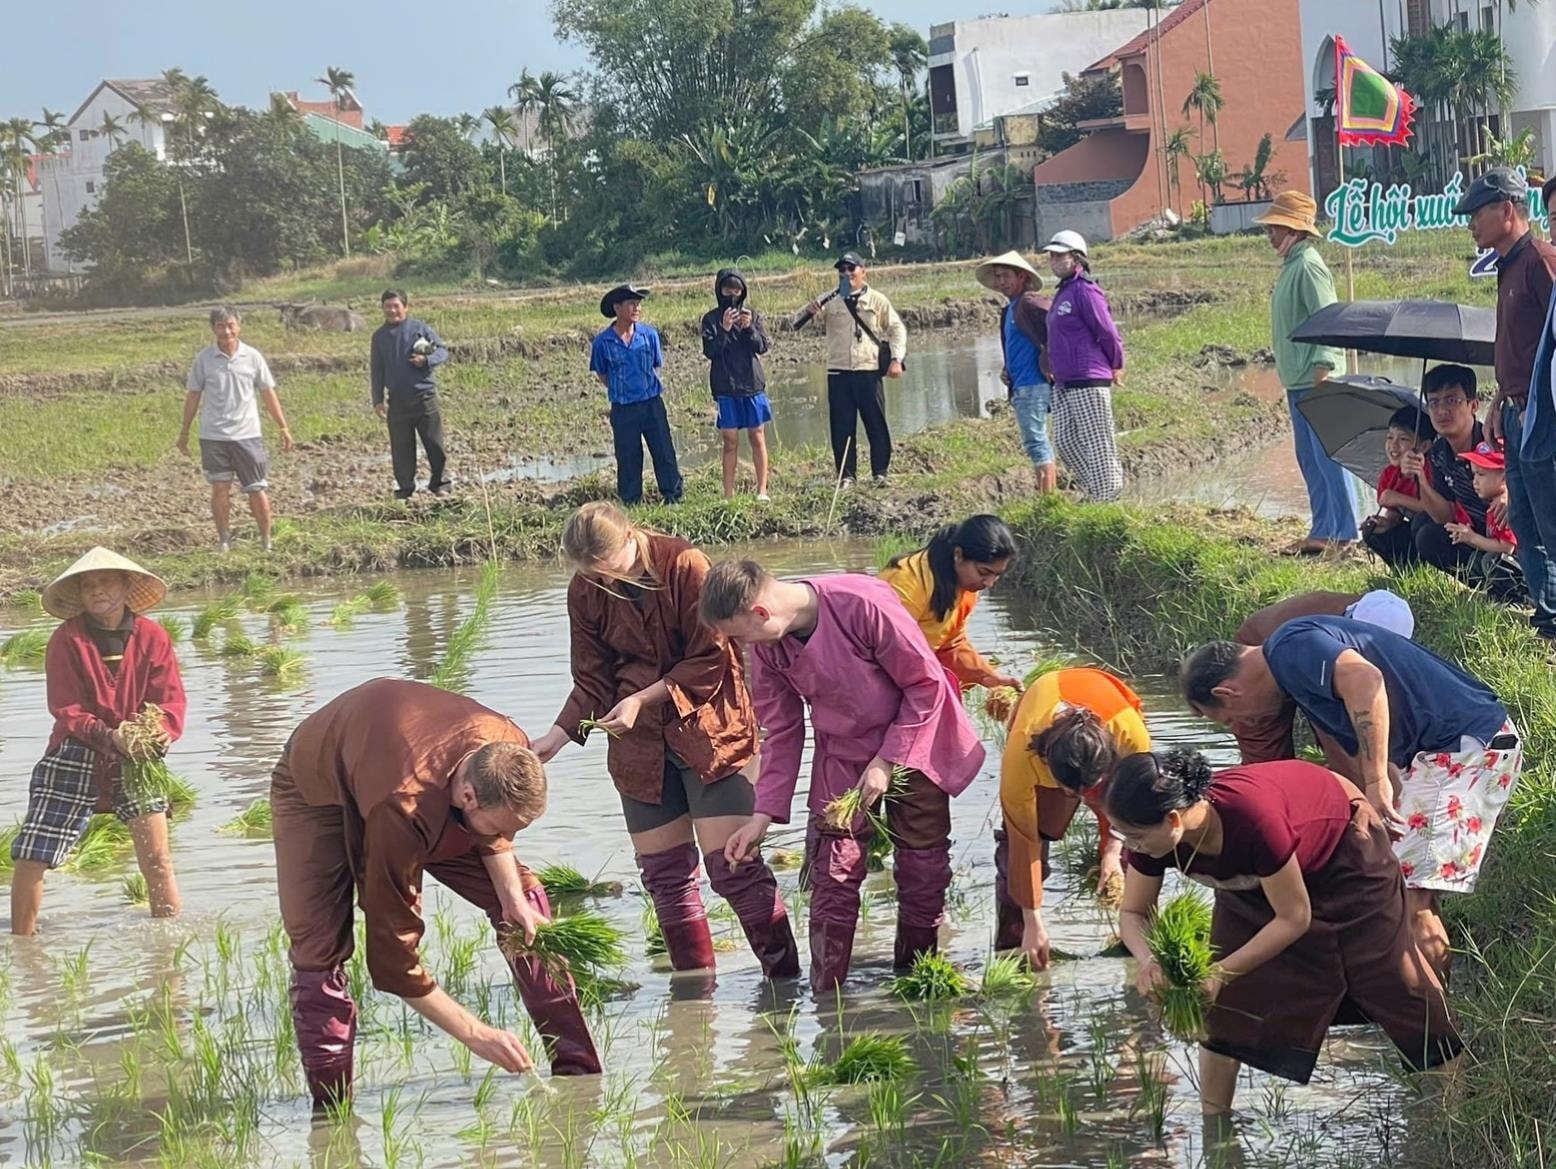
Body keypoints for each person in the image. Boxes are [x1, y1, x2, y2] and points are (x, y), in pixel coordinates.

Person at [272, 678, 600, 1108]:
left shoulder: (508, 746)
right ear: (468, 796)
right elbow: (393, 960)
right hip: (317, 791)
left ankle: (579, 1077)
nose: (507, 838)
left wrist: (512, 898)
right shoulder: (402, 809)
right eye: (502, 827)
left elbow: (494, 836)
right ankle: (333, 1119)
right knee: (319, 953)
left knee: (524, 902)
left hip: (405, 774)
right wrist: (475, 1034)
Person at [1108, 748, 1462, 1115]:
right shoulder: (1154, 840)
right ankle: (1215, 1127)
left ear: (1173, 820)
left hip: (1343, 851)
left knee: (1392, 979)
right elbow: (1134, 912)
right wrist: (1149, 960)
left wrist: (1220, 973)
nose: (1130, 847)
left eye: (1133, 837)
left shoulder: (1252, 820)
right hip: (1254, 880)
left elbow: (1294, 918)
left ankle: (1458, 1107)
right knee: (1225, 1006)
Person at [528, 503, 799, 980]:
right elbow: (591, 677)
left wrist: (642, 699)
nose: (605, 583)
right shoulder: (586, 587)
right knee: (666, 878)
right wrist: (559, 734)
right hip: (639, 747)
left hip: (711, 732)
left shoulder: (684, 565)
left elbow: (711, 659)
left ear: (630, 539)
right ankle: (695, 1000)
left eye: (610, 571)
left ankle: (785, 983)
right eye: (593, 576)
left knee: (732, 867)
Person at [1180, 615, 1524, 976]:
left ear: (1226, 693)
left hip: (1464, 748)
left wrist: (1376, 780)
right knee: (1390, 884)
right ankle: (1418, 1002)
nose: (1242, 726)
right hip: (1437, 756)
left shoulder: (1289, 647)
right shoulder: (1293, 675)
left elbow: (1366, 679)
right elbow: (1373, 738)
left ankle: (1433, 1019)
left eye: (1228, 720)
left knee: (1409, 897)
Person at [701, 559, 985, 990]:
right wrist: (761, 817)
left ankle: (916, 975)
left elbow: (924, 685)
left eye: (739, 635)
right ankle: (826, 994)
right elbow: (782, 729)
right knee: (833, 871)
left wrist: (887, 762)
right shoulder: (768, 646)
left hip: (915, 737)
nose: (740, 646)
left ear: (761, 612)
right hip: (844, 749)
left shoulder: (862, 604)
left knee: (921, 866)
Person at [10, 548, 185, 936]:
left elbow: (169, 699)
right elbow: (66, 708)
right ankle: (22, 945)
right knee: (35, 852)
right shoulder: (67, 639)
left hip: (139, 756)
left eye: (105, 581)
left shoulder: (154, 637)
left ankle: (167, 950)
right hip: (76, 748)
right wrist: (110, 736)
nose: (97, 591)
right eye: (89, 585)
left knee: (157, 858)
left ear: (125, 586)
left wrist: (160, 732)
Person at [879, 515, 1023, 948]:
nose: (989, 584)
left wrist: (990, 677)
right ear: (958, 555)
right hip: (884, 702)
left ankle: (921, 916)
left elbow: (952, 645)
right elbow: (883, 652)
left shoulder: (963, 589)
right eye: (984, 573)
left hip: (921, 703)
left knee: (920, 818)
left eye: (997, 576)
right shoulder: (905, 583)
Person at [1000, 667, 1150, 968]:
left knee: (1138, 833)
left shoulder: (1130, 736)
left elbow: (1136, 800)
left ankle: (1134, 936)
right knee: (1023, 843)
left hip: (1108, 720)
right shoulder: (1023, 754)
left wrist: (1112, 849)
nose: (1080, 798)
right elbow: (1023, 838)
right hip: (1043, 711)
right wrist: (1033, 919)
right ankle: (1016, 943)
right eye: (1072, 791)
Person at [1462, 168, 1556, 640]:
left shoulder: (1541, 261)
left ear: (1506, 210)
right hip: (1516, 410)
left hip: (1544, 414)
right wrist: (1499, 398)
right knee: (1523, 517)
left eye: (1477, 213)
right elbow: (1520, 349)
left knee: (1549, 517)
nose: (1471, 224)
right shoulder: (1507, 266)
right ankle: (1544, 617)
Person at [1253, 191, 1356, 556]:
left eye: (1275, 229)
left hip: (1316, 378)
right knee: (1308, 457)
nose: (1270, 236)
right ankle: (1322, 528)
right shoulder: (1292, 266)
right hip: (1297, 380)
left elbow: (1327, 320)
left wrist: (1324, 368)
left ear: (1294, 230)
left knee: (1328, 457)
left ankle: (1344, 534)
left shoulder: (1309, 266)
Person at [179, 305, 293, 553]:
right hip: (213, 435)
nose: (226, 331)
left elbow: (267, 393)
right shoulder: (204, 359)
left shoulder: (252, 357)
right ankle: (224, 540)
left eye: (231, 325)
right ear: (213, 329)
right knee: (220, 488)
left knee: (256, 488)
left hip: (247, 435)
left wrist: (283, 427)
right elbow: (193, 396)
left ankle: (266, 541)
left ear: (238, 327)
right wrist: (184, 432)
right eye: (221, 326)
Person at [797, 252, 907, 487]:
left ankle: (880, 473)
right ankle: (847, 476)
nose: (847, 274)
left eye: (851, 269)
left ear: (863, 271)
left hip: (868, 369)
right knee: (842, 427)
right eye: (842, 270)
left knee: (876, 423)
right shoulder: (829, 299)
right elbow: (799, 323)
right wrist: (810, 311)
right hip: (839, 372)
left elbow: (897, 329)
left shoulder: (877, 300)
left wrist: (896, 359)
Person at [1041, 231, 1125, 502]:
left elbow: (1107, 332)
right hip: (1064, 381)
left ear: (1076, 258)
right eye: (1051, 255)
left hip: (1089, 378)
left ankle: (1108, 497)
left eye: (1059, 255)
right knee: (1065, 442)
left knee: (1098, 443)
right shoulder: (1063, 293)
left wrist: (1116, 364)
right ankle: (1100, 491)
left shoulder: (1085, 290)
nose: (1053, 260)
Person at [1399, 365, 1495, 581]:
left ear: (1473, 405)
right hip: (1474, 531)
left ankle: (1510, 586)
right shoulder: (1438, 453)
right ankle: (1481, 584)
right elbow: (1445, 516)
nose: (1442, 411)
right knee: (1423, 526)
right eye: (1434, 402)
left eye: (1452, 401)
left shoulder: (1493, 442)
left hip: (1506, 534)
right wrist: (1419, 477)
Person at [591, 284, 684, 506]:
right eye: (631, 304)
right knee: (628, 456)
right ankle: (631, 501)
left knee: (663, 451)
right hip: (623, 408)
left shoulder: (649, 335)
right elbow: (602, 373)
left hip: (651, 403)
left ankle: (673, 496)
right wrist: (620, 389)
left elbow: (655, 365)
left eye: (638, 304)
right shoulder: (602, 343)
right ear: (617, 308)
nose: (636, 308)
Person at [976, 251, 1055, 492]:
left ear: (1022, 277)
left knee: (1036, 442)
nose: (1001, 282)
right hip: (1021, 383)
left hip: (1034, 383)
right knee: (1037, 441)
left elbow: (1058, 326)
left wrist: (1049, 360)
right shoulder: (1011, 308)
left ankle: (1048, 498)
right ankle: (1049, 495)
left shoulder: (1029, 301)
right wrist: (1008, 368)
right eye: (998, 277)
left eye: (1007, 276)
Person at [700, 269, 773, 502]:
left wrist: (749, 327)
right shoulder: (710, 320)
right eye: (727, 290)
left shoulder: (752, 315)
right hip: (725, 386)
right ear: (719, 291)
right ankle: (728, 495)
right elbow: (710, 351)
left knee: (757, 435)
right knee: (730, 440)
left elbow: (762, 346)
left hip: (751, 383)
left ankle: (762, 490)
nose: (732, 294)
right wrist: (725, 328)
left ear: (743, 292)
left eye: (737, 290)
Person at [371, 289, 451, 500]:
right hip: (397, 402)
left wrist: (426, 361)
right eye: (388, 306)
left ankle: (440, 484)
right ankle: (405, 489)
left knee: (434, 444)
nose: (392, 310)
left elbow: (442, 351)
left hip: (424, 398)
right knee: (401, 449)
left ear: (405, 307)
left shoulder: (419, 329)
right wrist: (377, 399)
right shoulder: (379, 337)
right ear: (383, 308)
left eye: (396, 306)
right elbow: (376, 369)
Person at [1446, 441, 1523, 600]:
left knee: (1492, 560)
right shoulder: (1492, 504)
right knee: (1477, 560)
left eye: (1481, 474)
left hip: (1521, 565)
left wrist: (1473, 537)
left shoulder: (1504, 508)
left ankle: (1519, 598)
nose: (1474, 481)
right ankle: (1494, 594)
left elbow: (1507, 548)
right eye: (1474, 474)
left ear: (1504, 477)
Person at [1360, 406, 1436, 564]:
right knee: (1373, 531)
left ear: (1424, 446)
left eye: (1403, 439)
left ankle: (1425, 564)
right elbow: (1395, 515)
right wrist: (1384, 523)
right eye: (1389, 437)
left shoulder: (1430, 469)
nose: (1393, 446)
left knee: (1420, 521)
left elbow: (1433, 511)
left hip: (1432, 528)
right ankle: (1404, 569)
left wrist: (1396, 497)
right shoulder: (1389, 474)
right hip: (1412, 531)